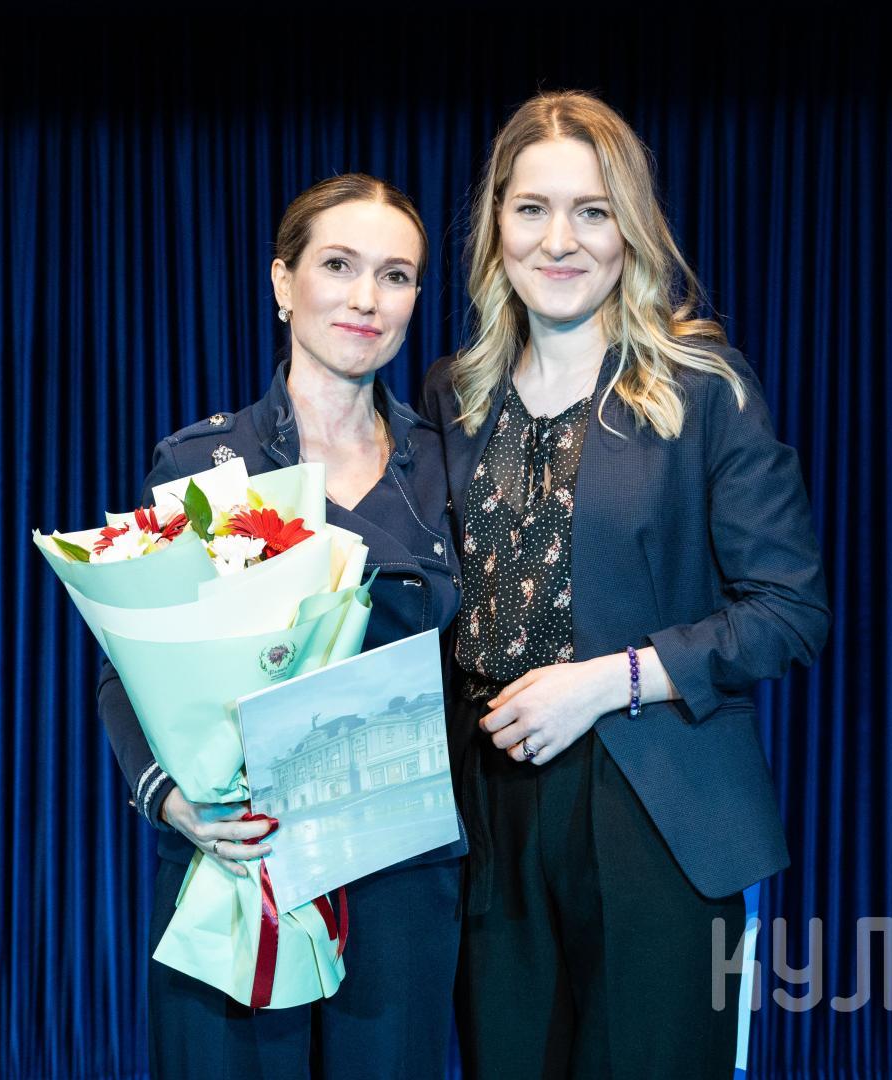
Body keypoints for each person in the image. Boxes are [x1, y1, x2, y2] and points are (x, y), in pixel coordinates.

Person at [419, 91, 831, 1079]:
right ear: (496, 225)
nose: (559, 240)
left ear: (630, 229)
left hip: (654, 804)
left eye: (592, 212)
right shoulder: (451, 395)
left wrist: (610, 681)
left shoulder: (702, 387)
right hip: (486, 812)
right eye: (532, 209)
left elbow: (790, 613)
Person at [97, 174, 463, 1079]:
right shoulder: (200, 462)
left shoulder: (450, 468)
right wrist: (171, 800)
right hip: (237, 860)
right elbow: (127, 668)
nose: (366, 298)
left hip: (400, 874)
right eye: (338, 266)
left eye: (395, 275)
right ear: (281, 282)